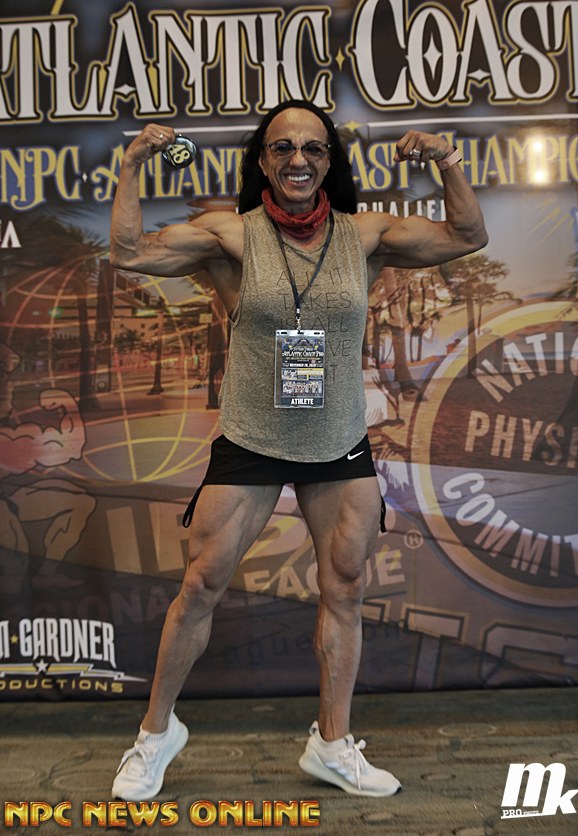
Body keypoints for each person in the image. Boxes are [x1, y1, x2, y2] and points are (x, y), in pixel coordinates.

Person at [109, 99, 488, 801]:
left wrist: (447, 160)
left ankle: (332, 745)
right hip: (253, 437)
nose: (298, 160)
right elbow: (130, 253)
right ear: (263, 160)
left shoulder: (364, 235)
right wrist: (132, 165)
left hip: (336, 439)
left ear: (328, 161)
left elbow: (468, 234)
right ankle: (155, 736)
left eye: (313, 148)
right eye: (283, 148)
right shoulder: (230, 235)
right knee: (201, 585)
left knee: (345, 586)